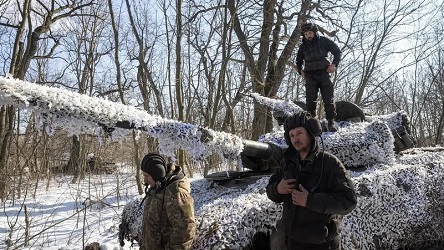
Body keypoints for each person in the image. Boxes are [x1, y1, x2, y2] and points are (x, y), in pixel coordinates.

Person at [266, 112, 357, 250]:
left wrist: (310, 200)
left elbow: (348, 201)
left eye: (299, 133)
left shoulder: (329, 163)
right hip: (289, 240)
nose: (295, 139)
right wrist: (278, 189)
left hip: (320, 243)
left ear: (310, 133)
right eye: (291, 135)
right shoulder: (287, 162)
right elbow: (270, 190)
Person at [139, 152, 196, 250]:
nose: (145, 180)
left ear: (157, 173)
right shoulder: (157, 186)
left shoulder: (176, 193)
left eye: (147, 176)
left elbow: (185, 229)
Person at [296, 22, 342, 132]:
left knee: (328, 98)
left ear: (315, 32)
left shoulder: (324, 41)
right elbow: (298, 61)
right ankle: (313, 124)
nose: (308, 36)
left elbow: (337, 52)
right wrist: (300, 71)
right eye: (306, 34)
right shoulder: (303, 46)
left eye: (310, 33)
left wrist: (334, 64)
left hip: (324, 73)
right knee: (310, 101)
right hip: (310, 75)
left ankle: (331, 122)